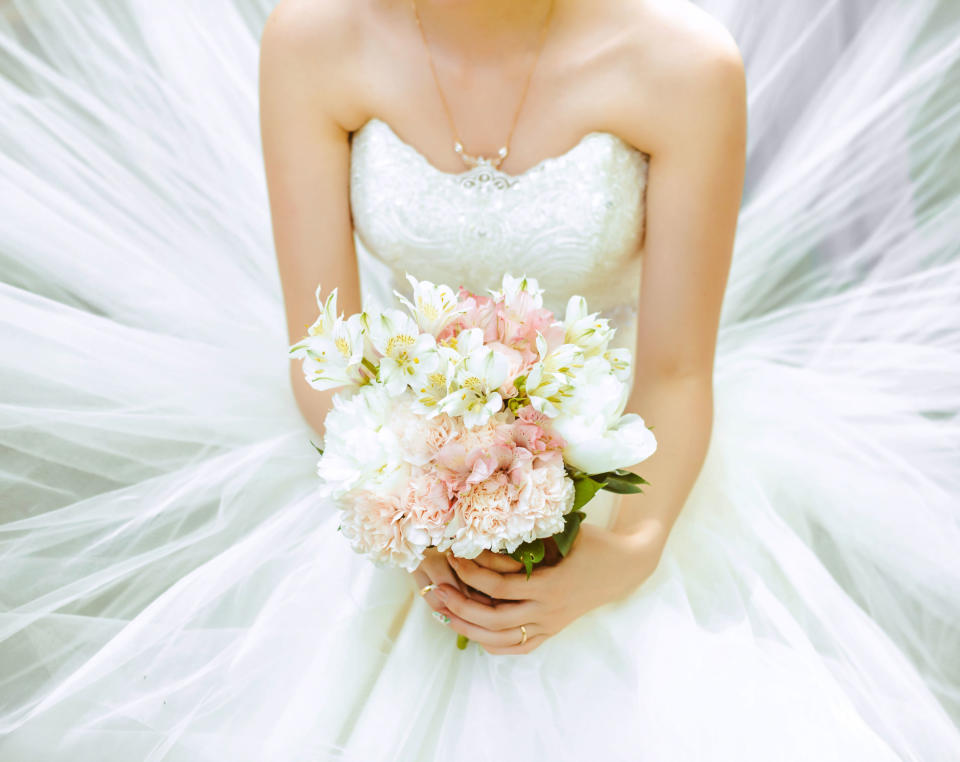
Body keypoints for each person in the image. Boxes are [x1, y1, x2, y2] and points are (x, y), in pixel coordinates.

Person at [0, 1, 958, 760]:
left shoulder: (684, 67)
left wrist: (633, 547)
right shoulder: (314, 41)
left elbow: (673, 368)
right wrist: (410, 513)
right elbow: (322, 350)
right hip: (393, 467)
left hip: (615, 461)